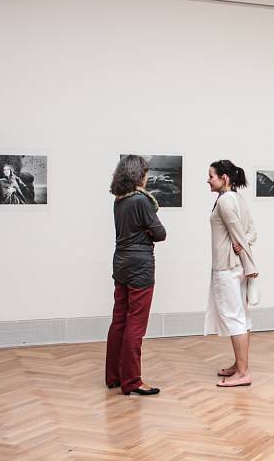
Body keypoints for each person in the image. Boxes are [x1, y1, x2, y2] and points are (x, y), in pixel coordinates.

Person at [105, 155, 167, 396]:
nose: (148, 176)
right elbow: (160, 234)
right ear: (138, 175)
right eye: (145, 172)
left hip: (120, 263)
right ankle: (132, 381)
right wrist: (148, 232)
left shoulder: (119, 201)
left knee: (119, 319)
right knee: (136, 324)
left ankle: (114, 376)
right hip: (140, 264)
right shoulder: (141, 200)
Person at [205, 159, 259, 388]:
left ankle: (243, 373)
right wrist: (243, 244)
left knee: (234, 318)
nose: (208, 180)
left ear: (224, 178)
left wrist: (247, 257)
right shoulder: (238, 198)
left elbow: (239, 233)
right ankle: (240, 365)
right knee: (242, 318)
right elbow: (252, 232)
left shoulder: (226, 202)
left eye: (211, 176)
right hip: (236, 267)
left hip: (228, 268)